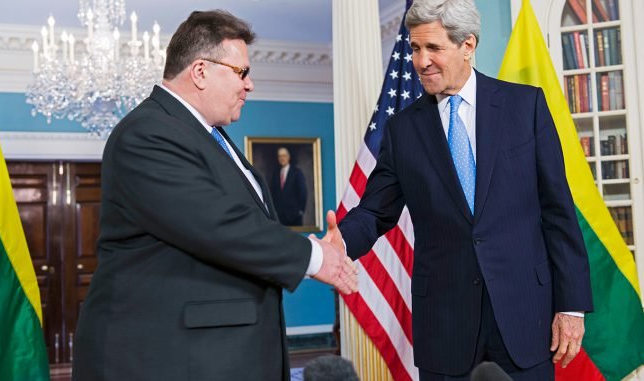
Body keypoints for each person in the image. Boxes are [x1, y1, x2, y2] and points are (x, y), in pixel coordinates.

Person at [72, 10, 356, 381]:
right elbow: (216, 224)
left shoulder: (206, 135)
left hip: (218, 354)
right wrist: (316, 256)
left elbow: (242, 225)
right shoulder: (147, 133)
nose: (249, 85)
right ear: (201, 71)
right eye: (241, 72)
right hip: (171, 360)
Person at [324, 0, 593, 379]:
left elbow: (558, 211)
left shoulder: (524, 106)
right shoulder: (402, 130)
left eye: (433, 48)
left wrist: (571, 306)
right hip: (446, 322)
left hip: (523, 313)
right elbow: (375, 211)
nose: (421, 61)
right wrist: (340, 243)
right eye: (415, 48)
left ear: (468, 45)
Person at [271, 147, 308, 226]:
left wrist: (300, 211)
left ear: (288, 157)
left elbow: (303, 192)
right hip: (279, 218)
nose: (282, 158)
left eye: (284, 156)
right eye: (280, 156)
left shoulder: (297, 172)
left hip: (294, 216)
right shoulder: (275, 174)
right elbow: (272, 194)